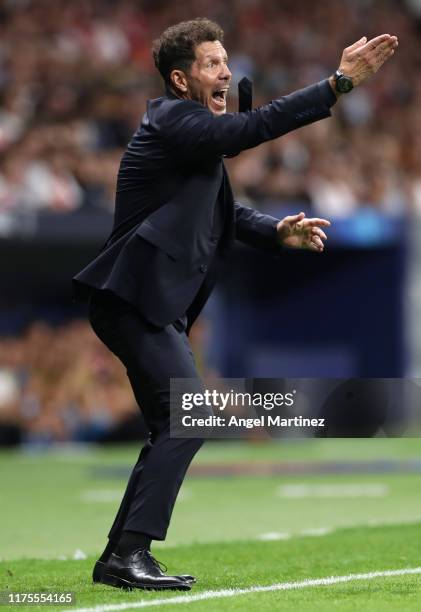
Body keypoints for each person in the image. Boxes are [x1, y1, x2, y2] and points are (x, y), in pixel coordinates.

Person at [72, 18, 398, 591]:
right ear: (180, 79)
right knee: (185, 416)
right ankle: (127, 555)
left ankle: (120, 556)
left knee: (172, 424)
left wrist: (278, 232)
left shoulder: (195, 141)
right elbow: (251, 128)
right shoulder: (171, 118)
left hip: (146, 302)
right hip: (131, 296)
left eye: (226, 60)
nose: (226, 71)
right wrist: (336, 86)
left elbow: (226, 213)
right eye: (211, 64)